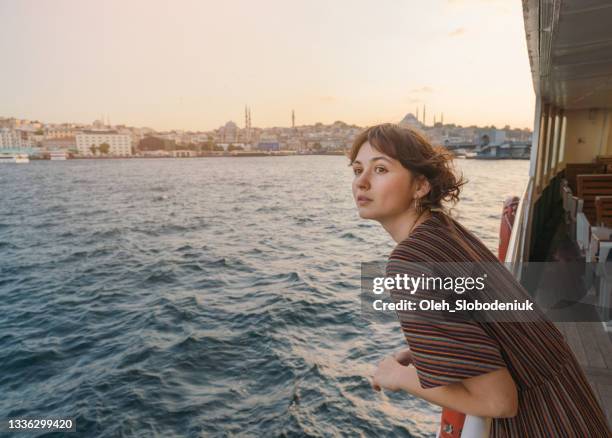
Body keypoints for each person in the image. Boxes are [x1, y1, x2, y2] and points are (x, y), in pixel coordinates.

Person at [349, 123, 611, 437]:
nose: (361, 183)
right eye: (357, 170)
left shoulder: (408, 263)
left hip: (541, 421)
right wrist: (427, 350)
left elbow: (499, 401)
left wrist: (398, 377)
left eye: (379, 169)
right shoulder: (442, 228)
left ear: (420, 185)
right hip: (569, 399)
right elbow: (480, 309)